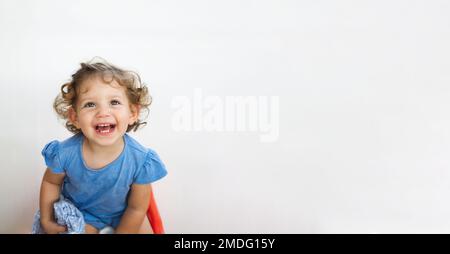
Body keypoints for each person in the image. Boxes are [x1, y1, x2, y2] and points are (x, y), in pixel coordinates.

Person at [38, 58, 167, 234]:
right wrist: (46, 220)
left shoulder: (140, 160)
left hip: (124, 215)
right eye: (90, 104)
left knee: (144, 229)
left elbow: (136, 208)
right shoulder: (64, 153)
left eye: (114, 102)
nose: (103, 113)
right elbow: (51, 182)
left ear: (132, 113)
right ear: (75, 117)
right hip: (80, 214)